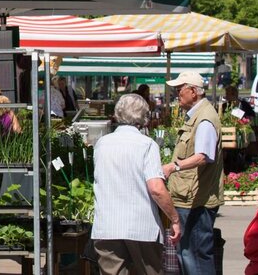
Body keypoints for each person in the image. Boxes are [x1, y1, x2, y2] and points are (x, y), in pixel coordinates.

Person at [92, 94, 182, 275]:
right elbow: (156, 188)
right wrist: (175, 218)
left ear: (117, 114)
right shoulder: (146, 145)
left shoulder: (102, 143)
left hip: (108, 226)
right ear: (144, 117)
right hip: (141, 226)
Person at [161, 71, 222, 275]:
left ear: (193, 92)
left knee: (194, 255)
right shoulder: (198, 115)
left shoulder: (204, 119)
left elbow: (204, 156)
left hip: (197, 200)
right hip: (190, 196)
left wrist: (173, 166)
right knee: (188, 254)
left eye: (180, 90)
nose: (177, 94)